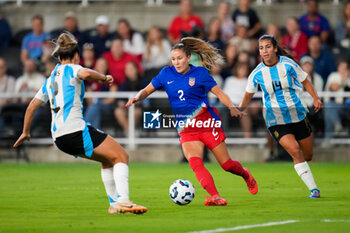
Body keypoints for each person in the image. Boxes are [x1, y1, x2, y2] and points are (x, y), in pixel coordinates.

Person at [13, 33, 147, 215]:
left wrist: (25, 132)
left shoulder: (50, 79)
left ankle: (114, 204)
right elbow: (84, 73)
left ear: (59, 58)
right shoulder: (72, 68)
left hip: (59, 138)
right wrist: (104, 78)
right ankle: (124, 201)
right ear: (77, 56)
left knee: (108, 160)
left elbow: (31, 108)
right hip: (75, 130)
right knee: (122, 156)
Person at [126, 37, 258, 206]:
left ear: (188, 58)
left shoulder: (200, 73)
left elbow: (219, 93)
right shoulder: (166, 73)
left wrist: (232, 107)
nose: (176, 62)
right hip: (186, 128)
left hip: (207, 124)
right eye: (173, 59)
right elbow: (147, 90)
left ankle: (246, 175)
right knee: (195, 163)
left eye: (180, 58)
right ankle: (215, 196)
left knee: (227, 165)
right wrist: (136, 97)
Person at [239, 34, 322, 198]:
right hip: (274, 117)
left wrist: (315, 97)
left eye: (268, 47)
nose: (265, 51)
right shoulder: (257, 73)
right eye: (261, 48)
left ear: (275, 48)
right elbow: (248, 94)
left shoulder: (289, 64)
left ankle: (303, 169)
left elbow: (305, 81)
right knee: (295, 150)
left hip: (296, 112)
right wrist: (240, 108)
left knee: (308, 155)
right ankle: (314, 190)